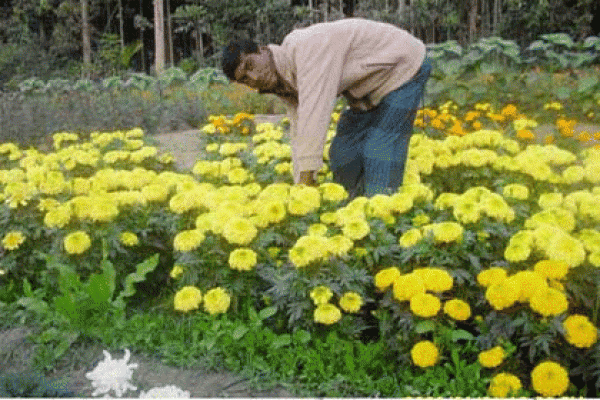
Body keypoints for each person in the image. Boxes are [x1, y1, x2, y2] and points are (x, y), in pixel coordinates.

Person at [222, 17, 431, 198]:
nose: (255, 77)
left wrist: (306, 183)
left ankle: (381, 220)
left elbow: (315, 113)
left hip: (403, 67)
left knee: (380, 148)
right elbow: (299, 129)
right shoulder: (283, 79)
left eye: (250, 65)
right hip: (367, 89)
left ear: (262, 50)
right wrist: (301, 185)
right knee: (343, 153)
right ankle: (351, 209)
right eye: (245, 79)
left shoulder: (306, 48)